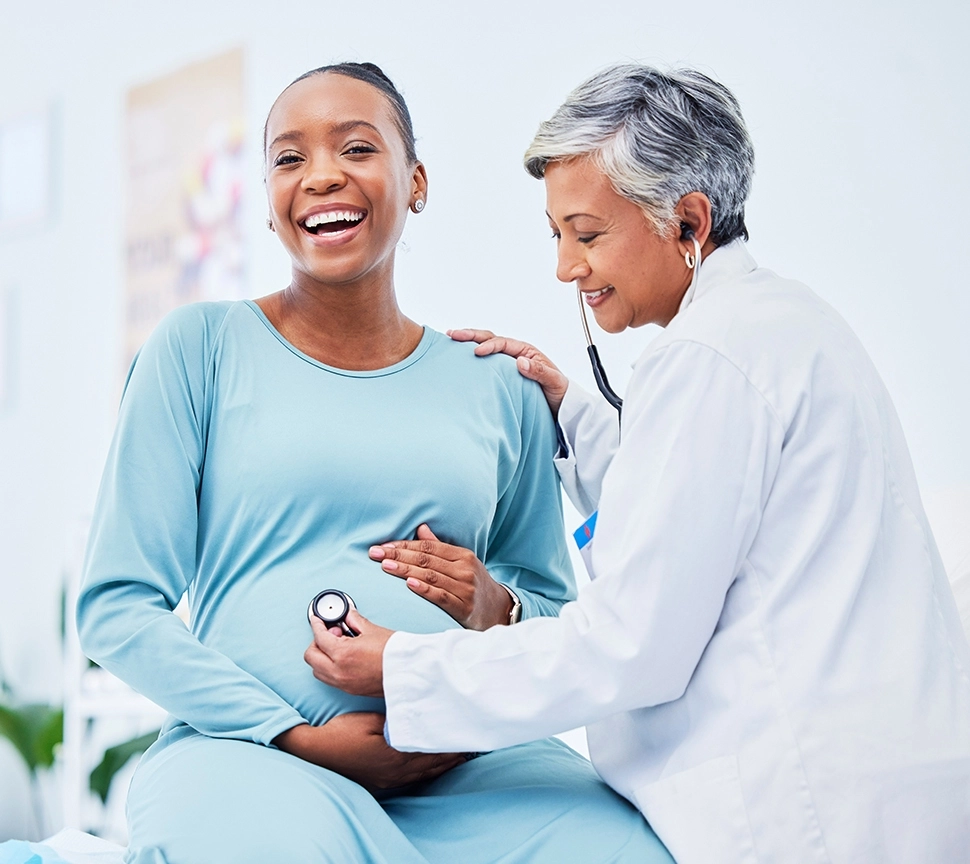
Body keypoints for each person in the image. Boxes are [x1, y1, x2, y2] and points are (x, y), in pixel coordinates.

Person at [306, 64, 970, 864]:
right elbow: (704, 521)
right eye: (556, 235)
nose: (566, 267)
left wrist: (405, 668)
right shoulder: (784, 323)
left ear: (688, 222)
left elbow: (630, 646)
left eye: (587, 234)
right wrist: (571, 413)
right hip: (884, 794)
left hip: (810, 815)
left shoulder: (709, 357)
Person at [76, 63, 671, 863]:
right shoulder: (199, 350)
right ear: (269, 202)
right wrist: (292, 733)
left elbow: (556, 619)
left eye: (356, 148)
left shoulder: (498, 384)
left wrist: (493, 604)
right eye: (289, 159)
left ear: (415, 182)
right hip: (252, 755)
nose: (321, 175)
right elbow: (117, 606)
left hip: (475, 762)